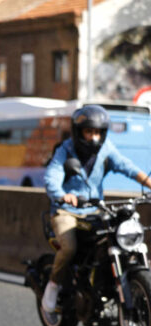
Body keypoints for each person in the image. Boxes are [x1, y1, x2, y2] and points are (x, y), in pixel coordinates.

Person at [42, 105, 151, 312]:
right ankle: (53, 285)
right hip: (66, 211)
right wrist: (63, 195)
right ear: (78, 131)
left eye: (98, 132)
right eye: (89, 132)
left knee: (122, 236)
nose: (93, 137)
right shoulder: (65, 150)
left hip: (95, 210)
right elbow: (51, 177)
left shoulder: (106, 149)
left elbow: (126, 166)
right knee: (70, 247)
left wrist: (149, 182)